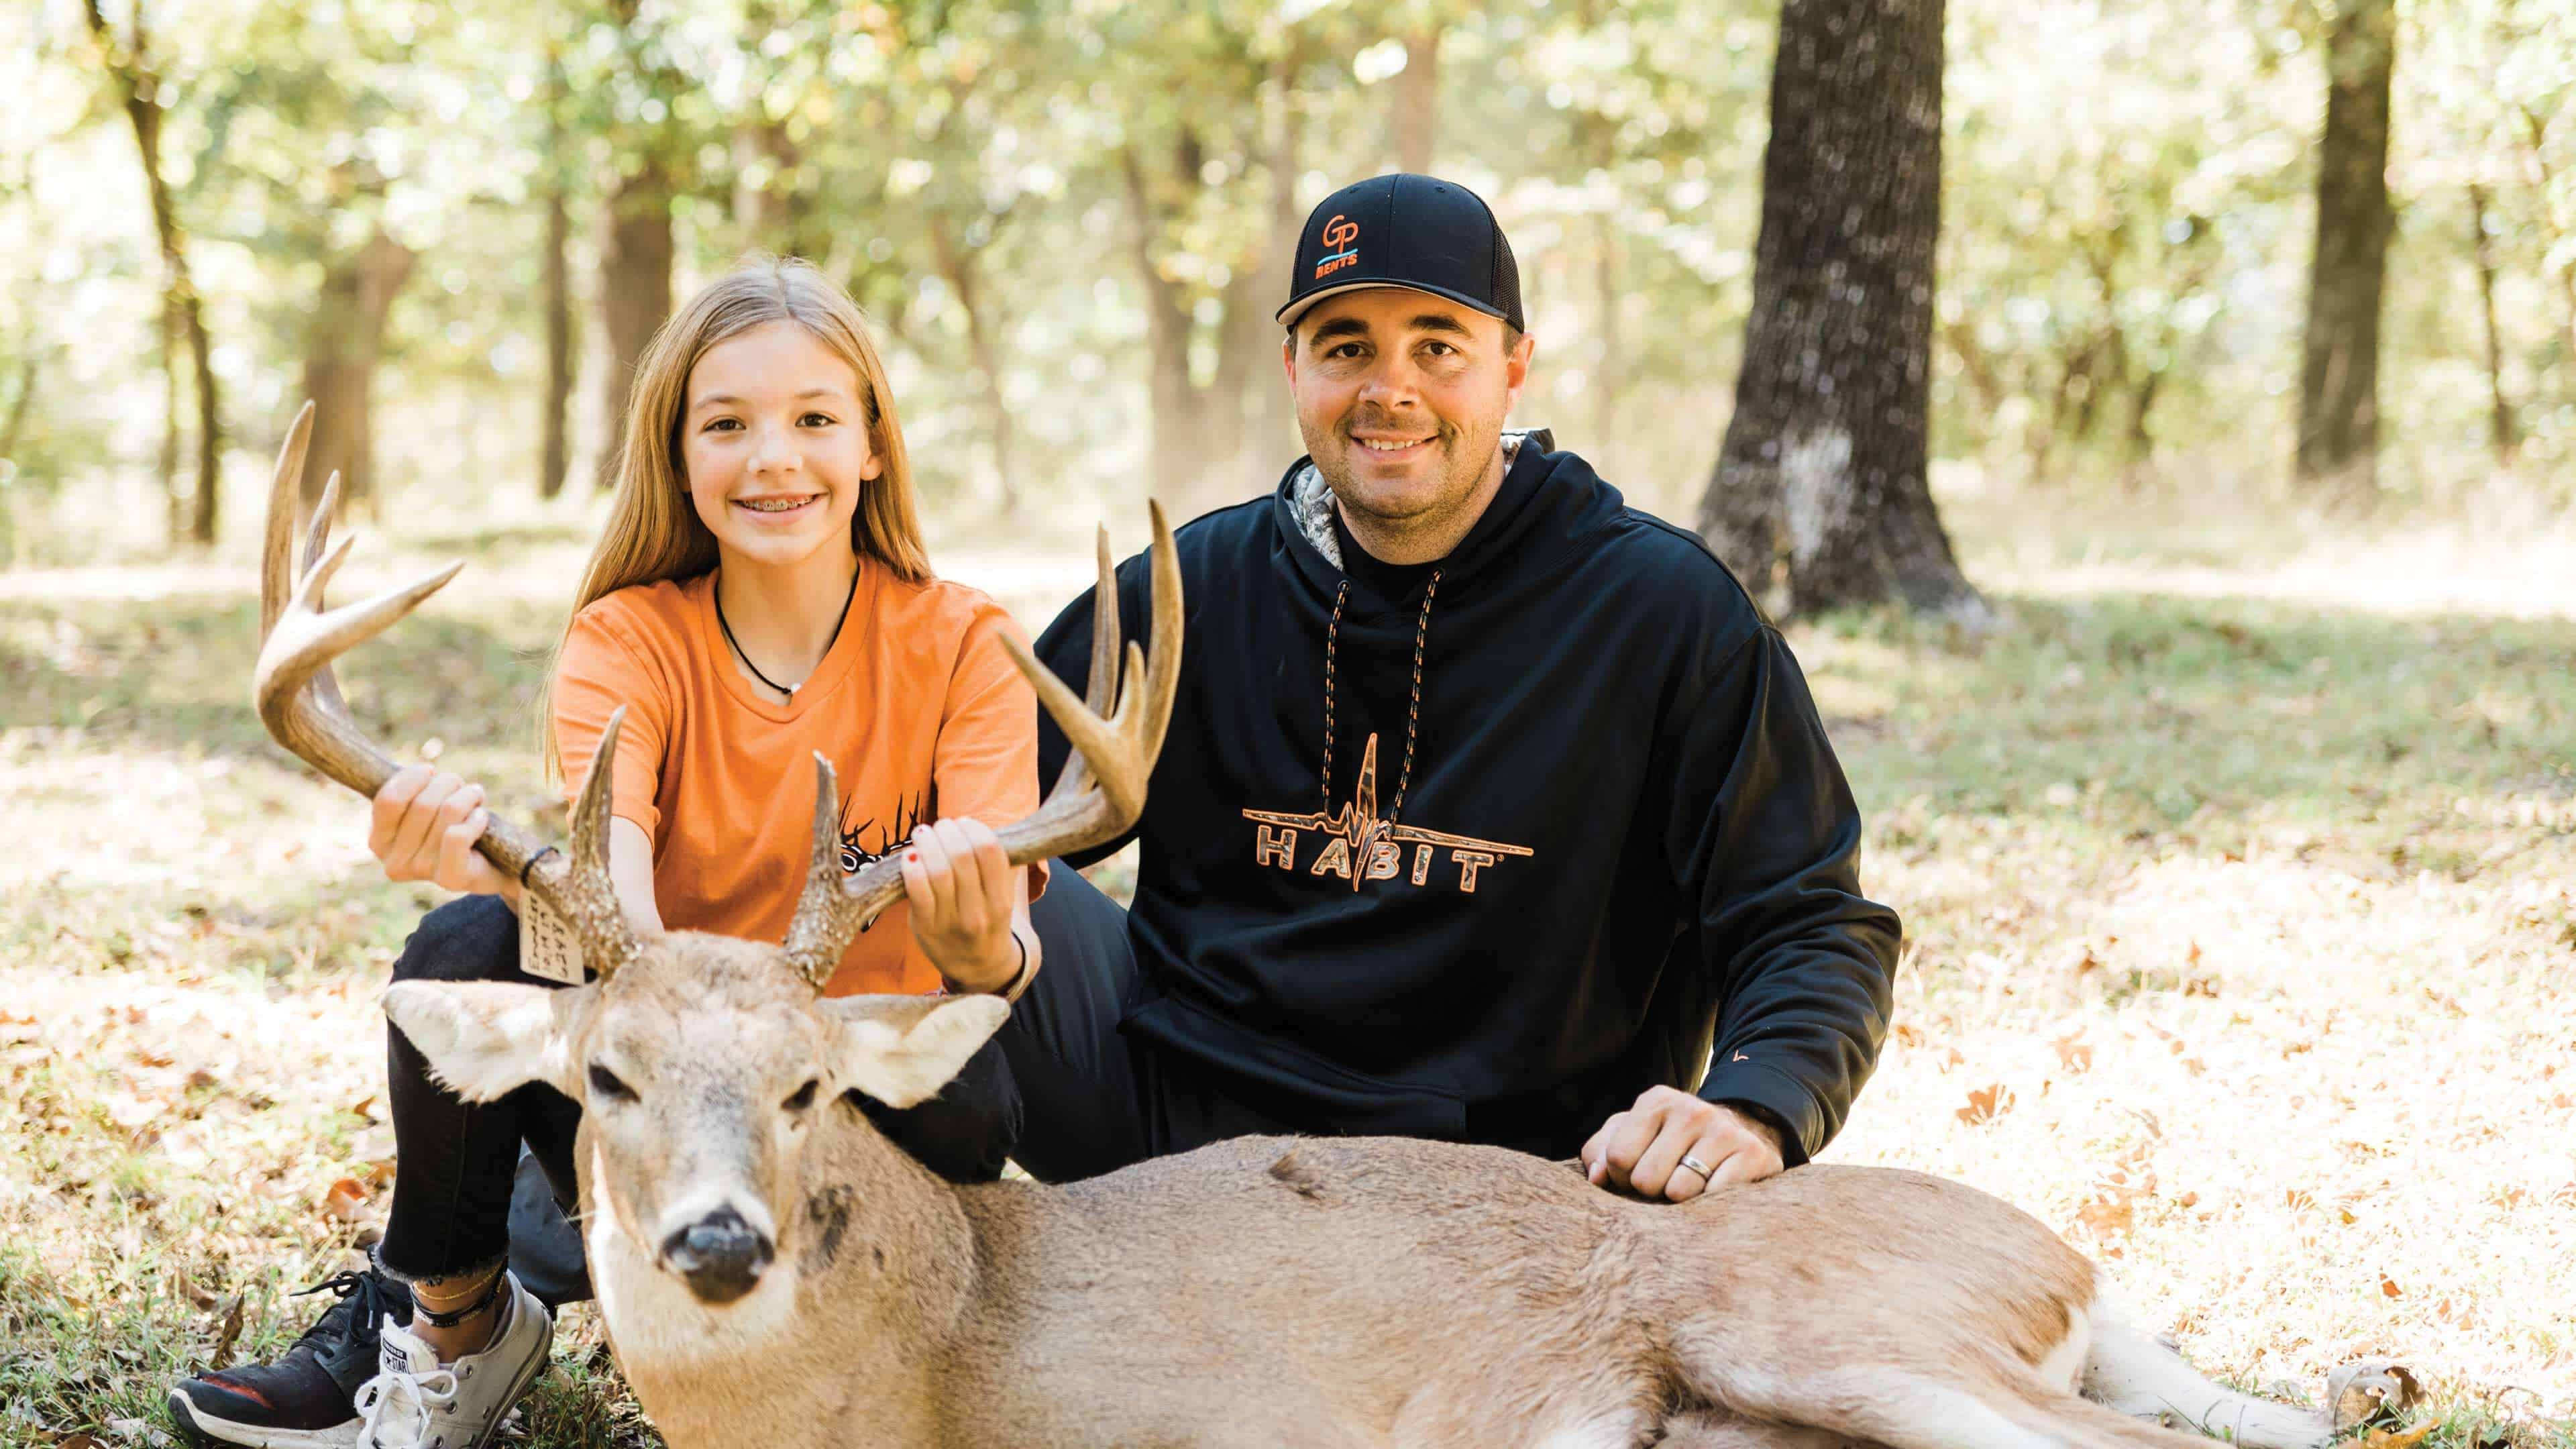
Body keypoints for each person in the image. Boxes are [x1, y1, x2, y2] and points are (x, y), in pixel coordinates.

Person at [167, 256, 1050, 1449]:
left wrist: (973, 937)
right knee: (467, 938)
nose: (773, 458)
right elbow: (616, 918)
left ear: (874, 446)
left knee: (967, 1067)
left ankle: (869, 1338)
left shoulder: (962, 642)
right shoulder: (628, 639)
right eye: (726, 424)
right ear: (679, 456)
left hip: (865, 1085)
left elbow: (999, 961)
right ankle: (454, 1323)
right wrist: (492, 869)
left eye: (814, 420)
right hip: (659, 1098)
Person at [988, 173, 1902, 1203]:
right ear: (1293, 369)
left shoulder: (1659, 612)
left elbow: (1810, 918)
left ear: (1513, 368)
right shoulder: (1190, 591)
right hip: (1175, 1143)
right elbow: (973, 799)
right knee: (946, 861)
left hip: (1511, 1190)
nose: (1391, 390)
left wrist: (1754, 1101)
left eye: (1437, 345)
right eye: (1346, 348)